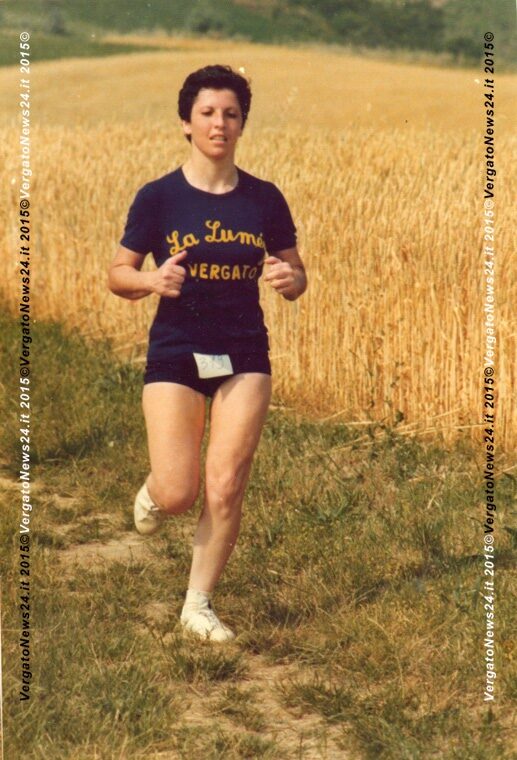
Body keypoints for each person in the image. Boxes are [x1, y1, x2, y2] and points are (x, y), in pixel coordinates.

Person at [108, 65, 307, 642]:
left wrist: (289, 279)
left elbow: (297, 274)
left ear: (242, 124)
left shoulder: (264, 199)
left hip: (244, 351)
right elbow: (118, 273)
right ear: (186, 123)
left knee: (226, 482)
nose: (220, 124)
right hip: (176, 349)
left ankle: (198, 605)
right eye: (208, 113)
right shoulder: (159, 198)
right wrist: (150, 281)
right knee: (179, 492)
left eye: (231, 114)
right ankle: (154, 494)